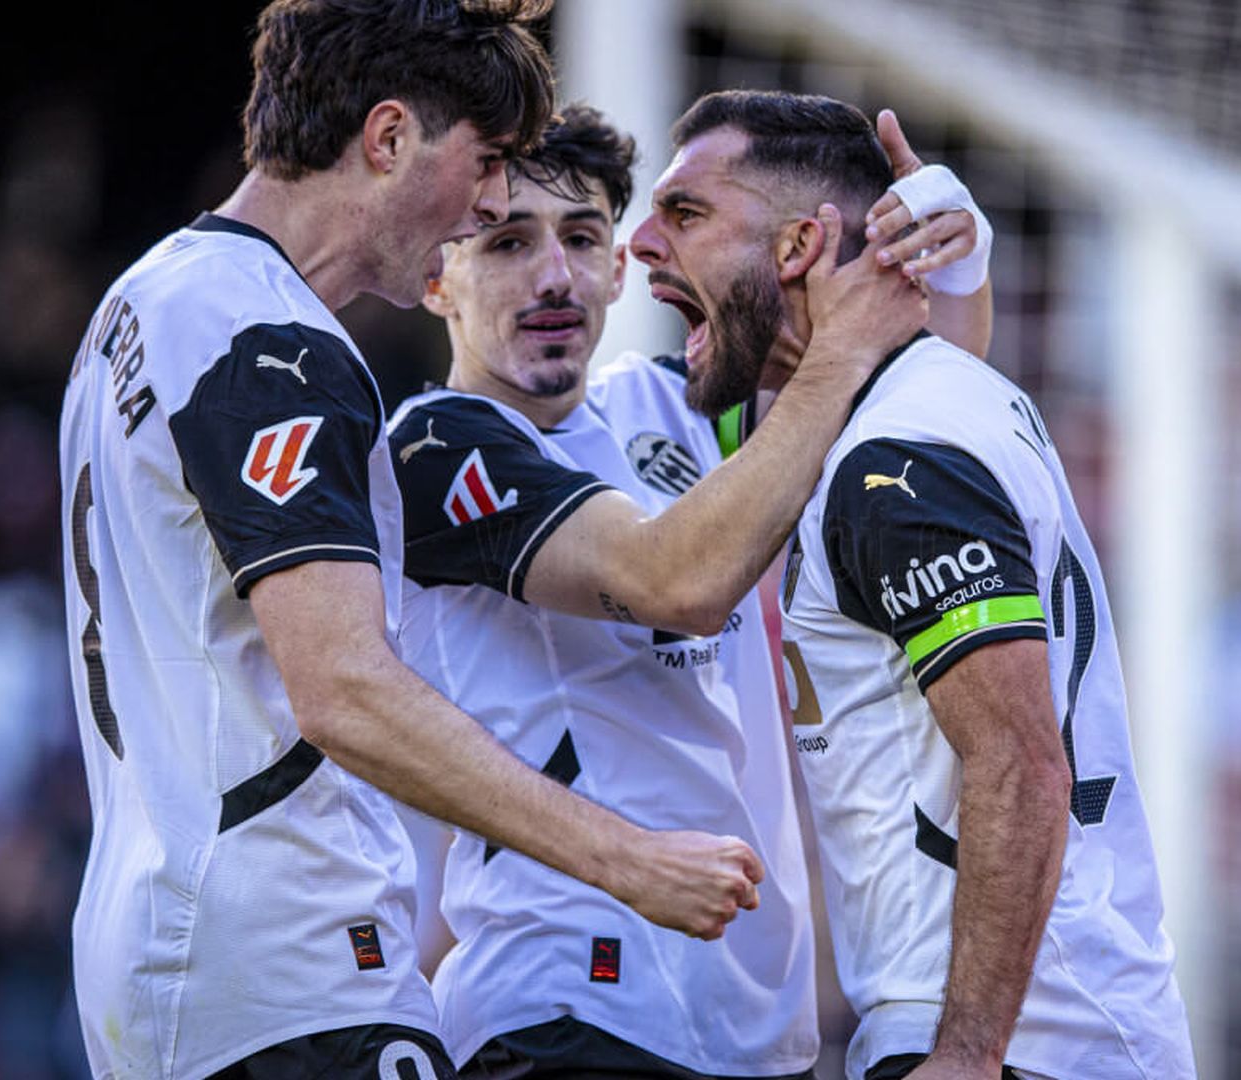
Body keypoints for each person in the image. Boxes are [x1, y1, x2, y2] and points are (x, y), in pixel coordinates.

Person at [57, 4, 761, 1077]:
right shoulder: (274, 342)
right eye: (485, 169)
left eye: (574, 234)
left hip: (168, 935)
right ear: (387, 140)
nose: (488, 201)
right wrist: (626, 860)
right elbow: (344, 688)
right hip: (289, 963)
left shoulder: (141, 300)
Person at [390, 103, 989, 1077]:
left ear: (619, 266)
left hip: (756, 1019)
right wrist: (837, 355)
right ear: (434, 278)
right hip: (559, 1010)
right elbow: (678, 582)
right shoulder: (432, 445)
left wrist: (949, 265)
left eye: (581, 238)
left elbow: (916, 443)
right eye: (506, 242)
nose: (554, 276)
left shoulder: (679, 408)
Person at [627, 90, 1199, 1080]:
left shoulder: (897, 459)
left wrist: (969, 1052)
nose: (642, 243)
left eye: (686, 213)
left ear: (800, 246)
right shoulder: (917, 410)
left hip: (1009, 1039)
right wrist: (963, 264)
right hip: (1048, 1024)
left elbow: (1022, 763)